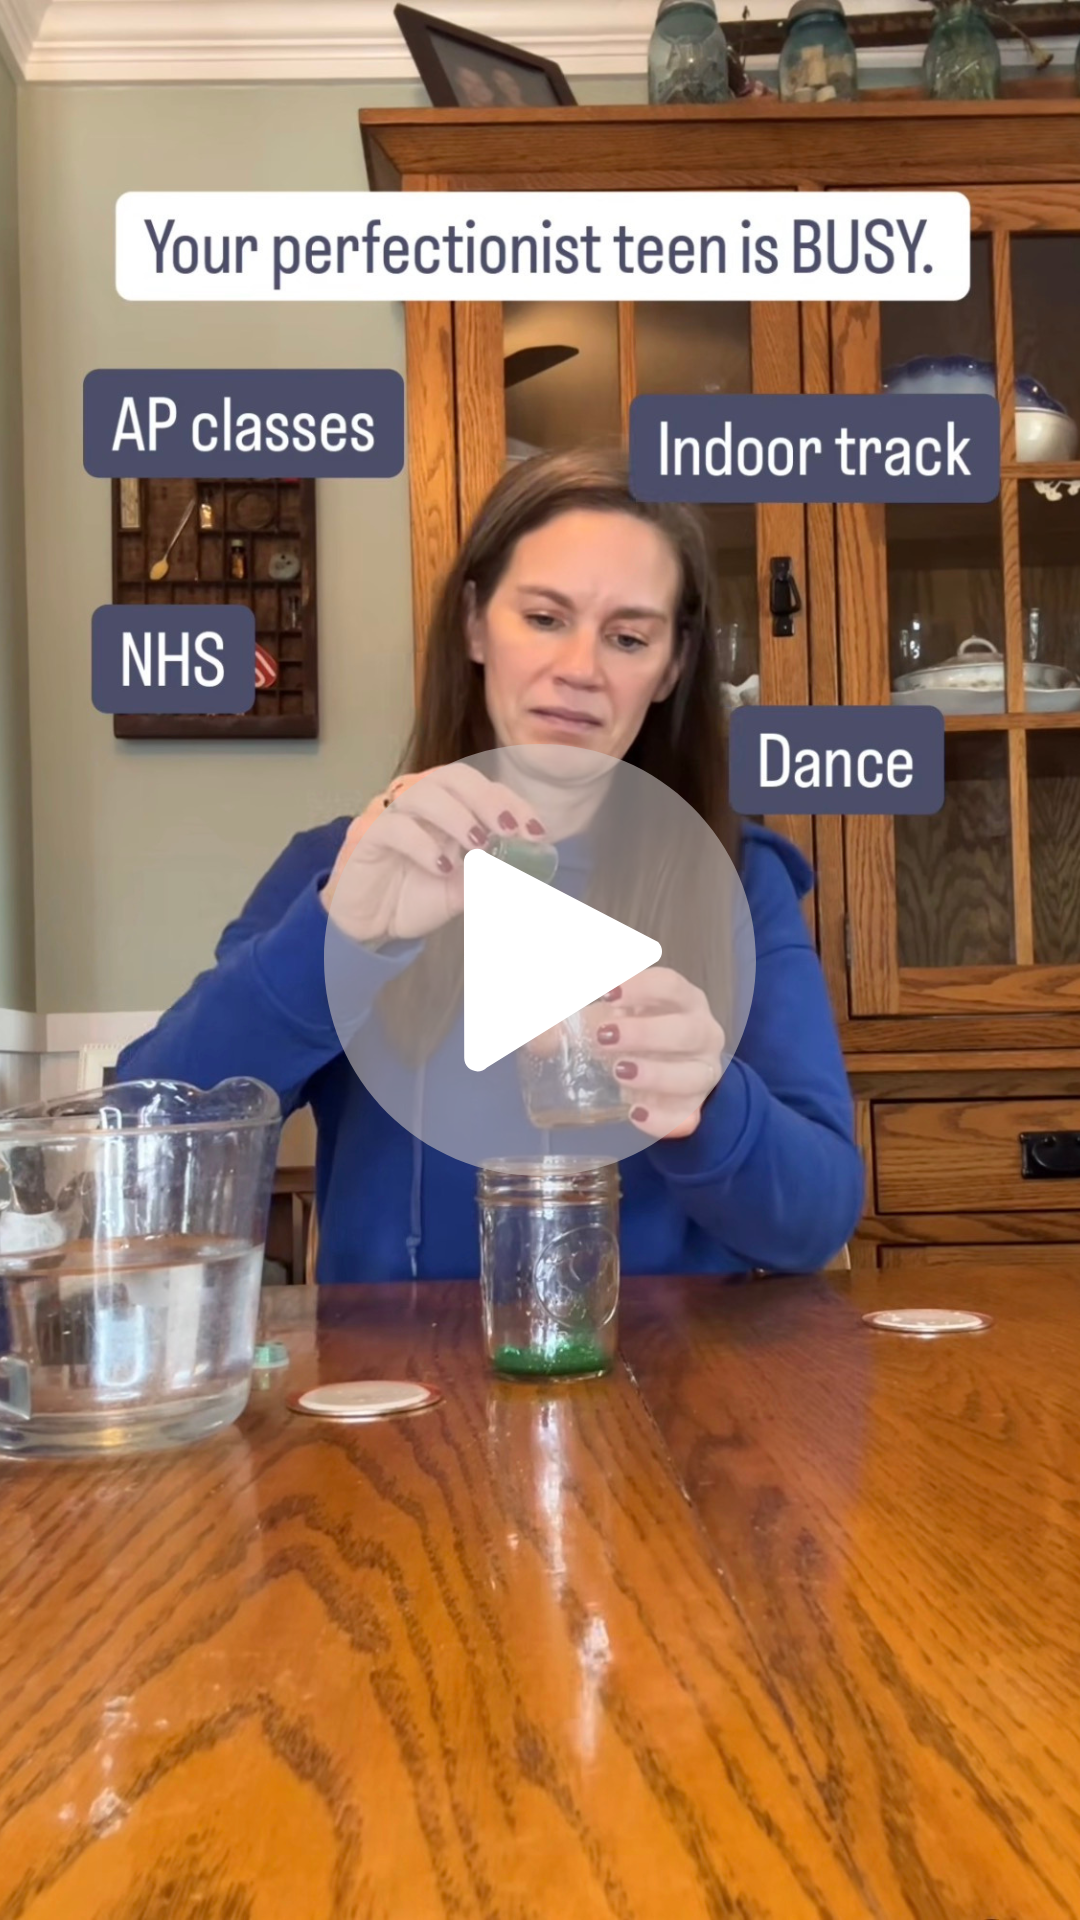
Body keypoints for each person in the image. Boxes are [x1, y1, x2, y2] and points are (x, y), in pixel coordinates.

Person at [118, 449, 865, 1281]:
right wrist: (335, 941)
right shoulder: (340, 868)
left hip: (661, 1365)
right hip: (393, 1365)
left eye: (627, 637)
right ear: (475, 623)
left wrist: (710, 1101)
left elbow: (816, 1220)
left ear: (672, 668)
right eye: (544, 618)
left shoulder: (739, 879)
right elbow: (145, 1155)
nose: (579, 670)